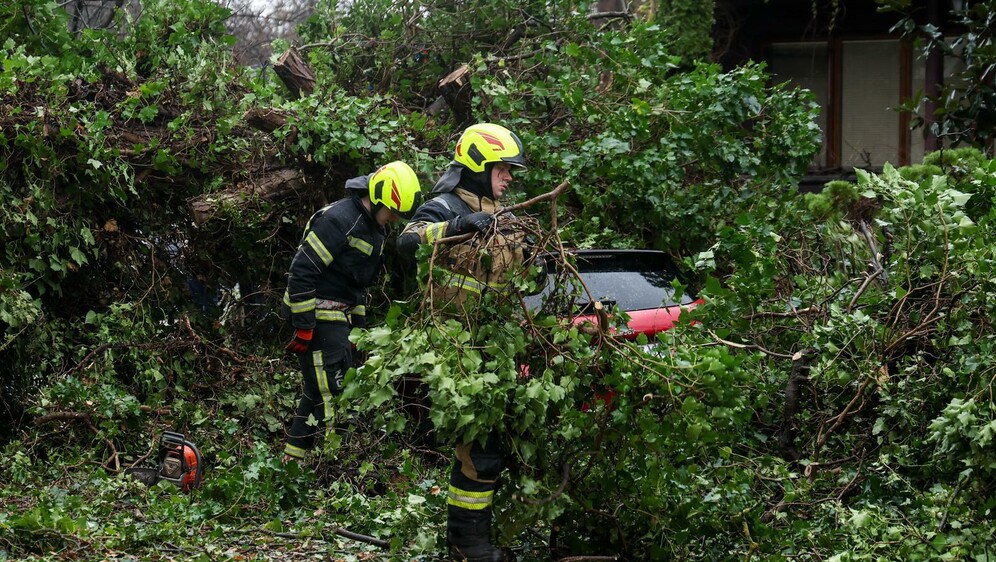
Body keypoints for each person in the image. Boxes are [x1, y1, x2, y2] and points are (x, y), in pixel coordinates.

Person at [398, 123, 528, 562]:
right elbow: (407, 241)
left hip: (495, 346)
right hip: (456, 345)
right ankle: (468, 546)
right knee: (479, 445)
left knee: (496, 444)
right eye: (504, 168)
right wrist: (456, 225)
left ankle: (473, 540)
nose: (510, 178)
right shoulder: (444, 206)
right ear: (478, 164)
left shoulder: (504, 215)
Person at [282, 161, 422, 463]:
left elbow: (359, 283)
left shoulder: (375, 229)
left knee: (314, 393)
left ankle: (291, 463)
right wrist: (304, 325)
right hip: (316, 312)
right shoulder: (338, 219)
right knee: (335, 395)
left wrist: (359, 331)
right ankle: (336, 470)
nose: (394, 220)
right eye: (392, 212)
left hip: (339, 316)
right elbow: (302, 271)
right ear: (377, 198)